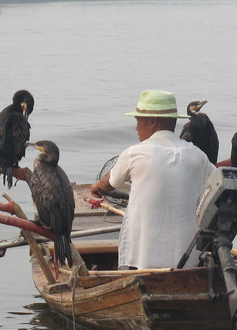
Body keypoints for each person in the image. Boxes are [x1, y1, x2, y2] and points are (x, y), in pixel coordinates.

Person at [90, 90, 216, 269]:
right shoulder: (198, 156)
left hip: (142, 262)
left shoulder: (134, 153)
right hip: (189, 263)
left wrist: (97, 186)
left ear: (152, 121)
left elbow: (110, 182)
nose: (136, 127)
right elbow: (217, 182)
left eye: (137, 120)